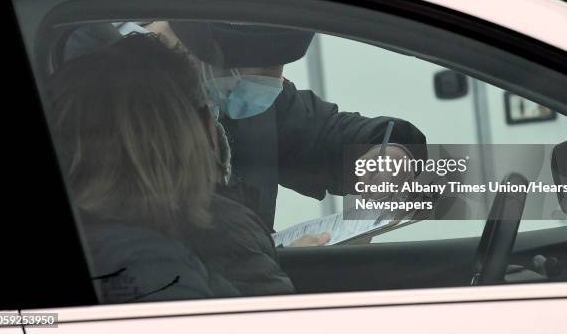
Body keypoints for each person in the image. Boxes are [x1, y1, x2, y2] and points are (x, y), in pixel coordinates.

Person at [46, 33, 294, 303]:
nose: (274, 81)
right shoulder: (158, 266)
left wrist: (351, 210)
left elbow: (345, 138)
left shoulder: (278, 105)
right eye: (266, 68)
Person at [155, 21, 428, 232]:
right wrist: (274, 258)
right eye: (264, 66)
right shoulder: (132, 113)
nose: (275, 80)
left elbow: (322, 137)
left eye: (280, 65)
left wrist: (391, 150)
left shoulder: (256, 104)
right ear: (208, 52)